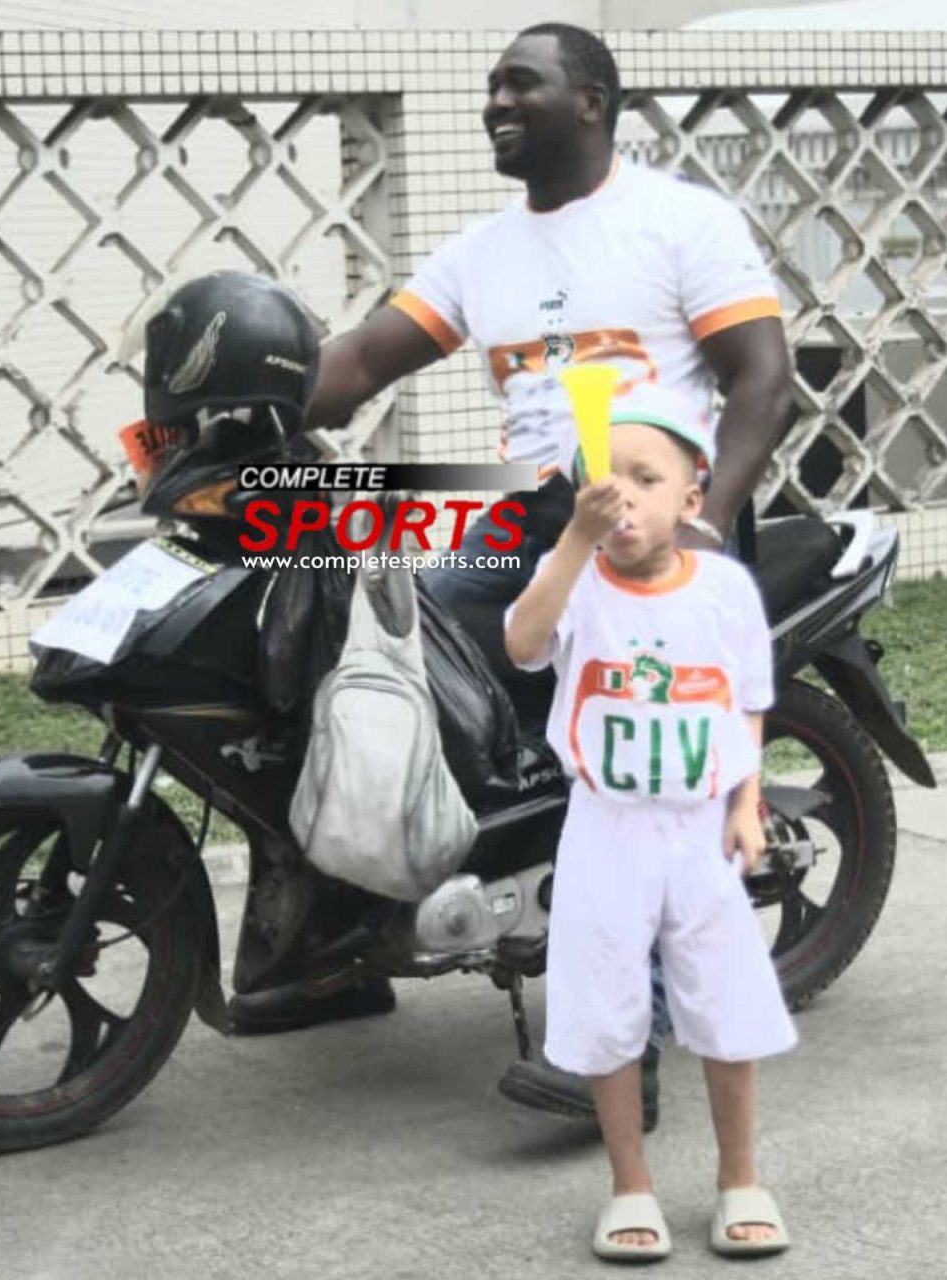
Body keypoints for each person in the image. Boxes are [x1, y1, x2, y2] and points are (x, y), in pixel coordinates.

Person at [226, 22, 796, 1131]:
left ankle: (626, 1051)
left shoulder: (680, 221)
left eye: (519, 84)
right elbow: (359, 362)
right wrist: (232, 404)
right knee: (377, 659)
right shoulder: (482, 252)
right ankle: (334, 955)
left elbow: (762, 378)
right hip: (532, 517)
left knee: (630, 773)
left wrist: (706, 521)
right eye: (490, 85)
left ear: (590, 101)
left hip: (656, 527)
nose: (495, 101)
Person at [504, 390, 794, 1260]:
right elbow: (523, 643)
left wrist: (745, 802)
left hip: (701, 829)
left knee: (725, 1001)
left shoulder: (725, 590)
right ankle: (630, 1187)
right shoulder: (575, 582)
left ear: (691, 499)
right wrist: (572, 541)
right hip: (606, 828)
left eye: (646, 479)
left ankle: (741, 1178)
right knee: (606, 1006)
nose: (622, 497)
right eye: (605, 482)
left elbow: (747, 700)